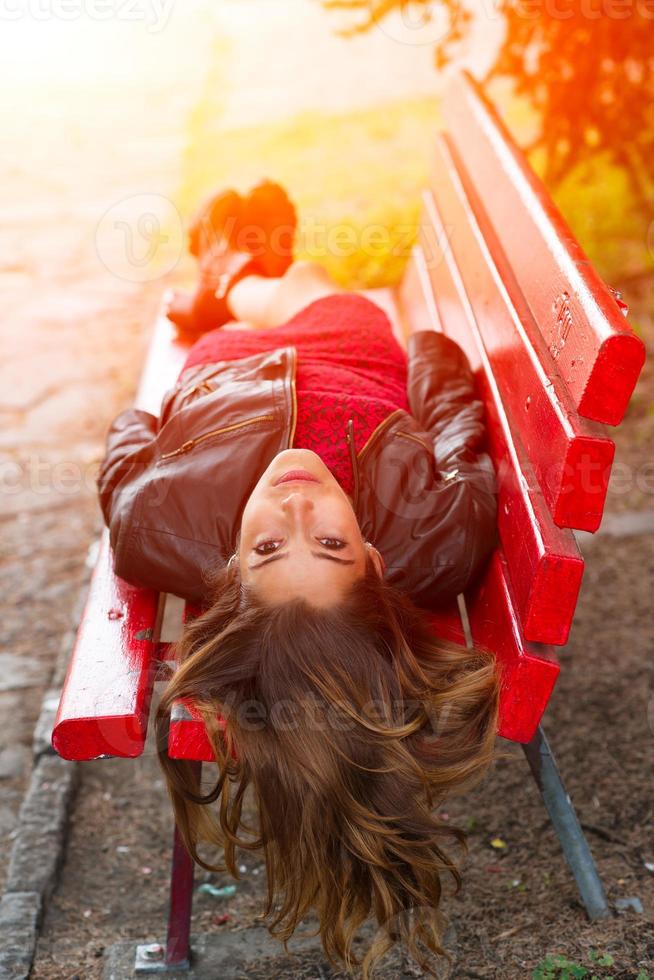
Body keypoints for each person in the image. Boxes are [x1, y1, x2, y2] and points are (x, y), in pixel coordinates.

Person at [97, 181, 501, 978]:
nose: (296, 502)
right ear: (376, 564)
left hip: (228, 378)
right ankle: (246, 264)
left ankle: (232, 273)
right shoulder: (433, 539)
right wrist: (428, 355)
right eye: (329, 542)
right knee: (314, 283)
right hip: (352, 354)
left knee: (256, 302)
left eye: (268, 551)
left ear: (228, 577)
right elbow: (459, 431)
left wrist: (175, 421)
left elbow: (127, 445)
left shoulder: (160, 529)